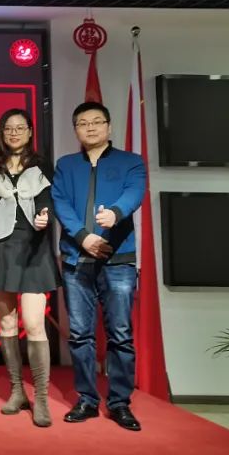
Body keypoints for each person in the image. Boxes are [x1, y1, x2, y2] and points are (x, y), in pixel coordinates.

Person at [52, 101, 147, 432]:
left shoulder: (130, 162)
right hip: (77, 260)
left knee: (120, 333)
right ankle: (87, 399)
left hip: (117, 259)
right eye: (83, 123)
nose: (90, 127)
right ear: (75, 129)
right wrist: (83, 237)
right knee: (80, 334)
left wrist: (116, 214)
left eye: (96, 122)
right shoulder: (65, 165)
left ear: (109, 126)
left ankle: (120, 403)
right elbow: (60, 201)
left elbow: (134, 193)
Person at [0, 109, 60, 428]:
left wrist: (44, 216)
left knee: (34, 323)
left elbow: (49, 200)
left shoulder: (42, 165)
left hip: (33, 250)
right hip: (0, 249)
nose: (14, 133)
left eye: (19, 128)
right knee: (6, 322)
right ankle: (16, 391)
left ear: (30, 131)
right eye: (8, 128)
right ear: (2, 133)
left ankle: (41, 398)